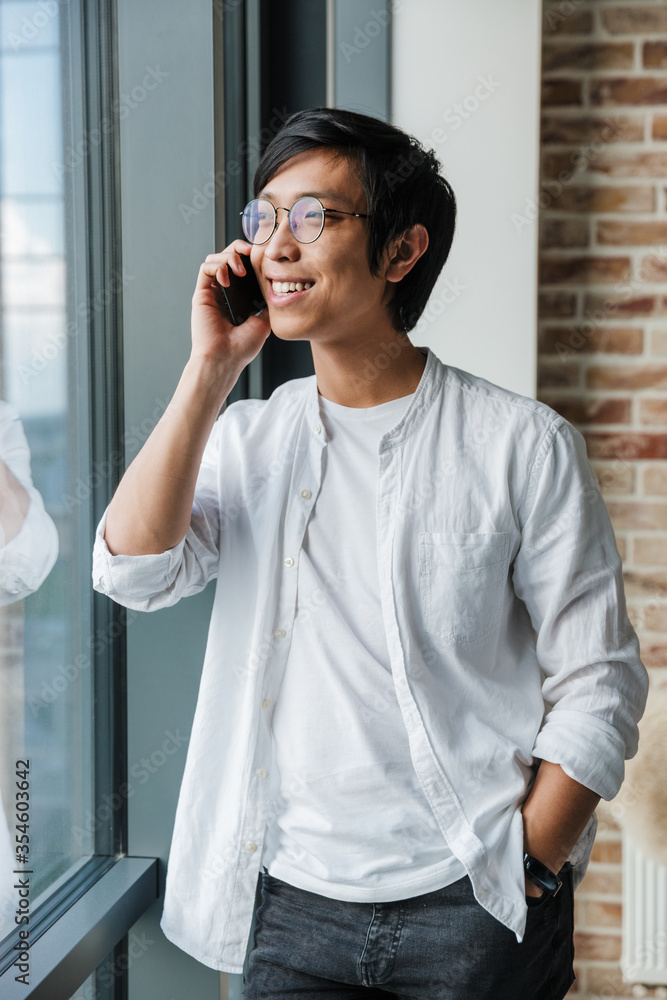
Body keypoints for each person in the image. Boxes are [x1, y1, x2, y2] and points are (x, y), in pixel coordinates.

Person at [92, 108, 648, 999]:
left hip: (474, 901)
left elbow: (600, 680)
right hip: (289, 907)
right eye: (263, 217)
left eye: (313, 217)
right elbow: (132, 569)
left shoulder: (521, 444)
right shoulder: (248, 440)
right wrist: (211, 369)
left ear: (400, 251)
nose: (276, 244)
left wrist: (529, 862)